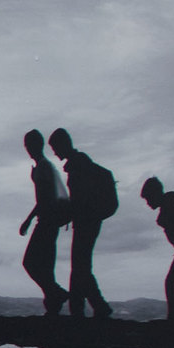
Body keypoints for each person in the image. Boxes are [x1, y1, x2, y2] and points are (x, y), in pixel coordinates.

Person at [49, 129, 116, 320]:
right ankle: (79, 309)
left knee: (81, 267)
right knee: (80, 266)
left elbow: (80, 200)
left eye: (55, 148)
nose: (55, 152)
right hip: (88, 222)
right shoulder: (80, 164)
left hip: (86, 222)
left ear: (64, 144)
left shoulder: (78, 166)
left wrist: (67, 214)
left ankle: (98, 306)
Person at [18, 131, 71, 316]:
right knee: (46, 267)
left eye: (28, 144)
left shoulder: (43, 167)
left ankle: (56, 293)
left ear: (36, 145)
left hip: (47, 222)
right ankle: (53, 306)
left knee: (31, 263)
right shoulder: (44, 166)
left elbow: (44, 198)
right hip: (50, 222)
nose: (27, 148)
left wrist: (29, 219)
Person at [145, 178, 174, 322]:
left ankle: (173, 318)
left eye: (148, 198)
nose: (148, 203)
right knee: (170, 283)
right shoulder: (169, 205)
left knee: (170, 283)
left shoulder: (170, 206)